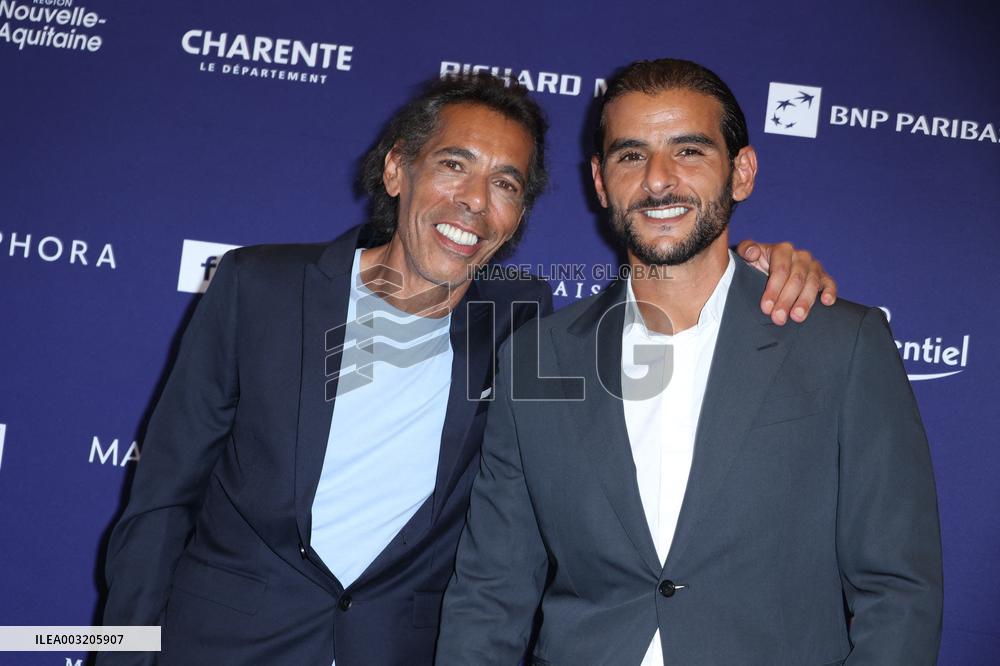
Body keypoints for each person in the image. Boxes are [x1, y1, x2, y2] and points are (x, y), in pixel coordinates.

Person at [99, 73, 837, 665]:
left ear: (520, 214)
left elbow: (675, 291)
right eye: (454, 164)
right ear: (397, 169)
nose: (475, 203)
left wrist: (761, 265)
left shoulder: (524, 325)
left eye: (507, 184)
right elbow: (162, 500)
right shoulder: (259, 286)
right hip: (224, 645)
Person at [437, 59, 942, 666]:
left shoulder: (842, 344)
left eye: (689, 152)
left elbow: (898, 590)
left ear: (742, 172)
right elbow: (492, 591)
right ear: (600, 182)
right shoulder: (535, 358)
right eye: (630, 156)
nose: (657, 180)